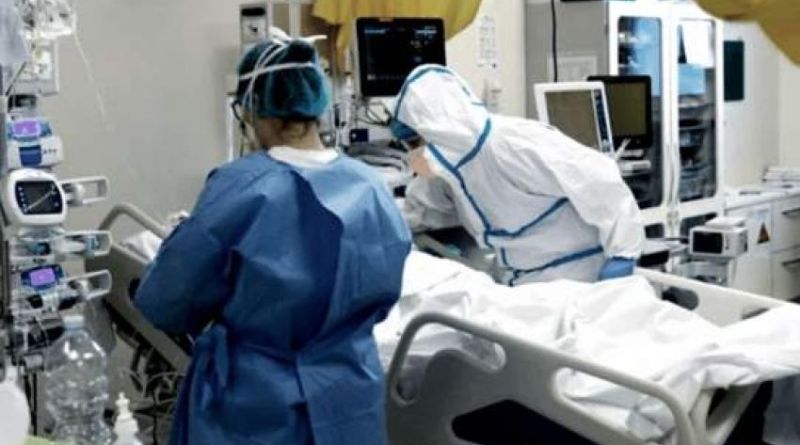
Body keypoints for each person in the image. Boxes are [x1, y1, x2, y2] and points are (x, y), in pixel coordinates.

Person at [134, 30, 412, 445]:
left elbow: (168, 301)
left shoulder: (241, 187)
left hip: (257, 407)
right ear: (316, 102)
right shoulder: (371, 186)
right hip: (349, 396)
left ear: (251, 107)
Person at [392, 64, 643, 285]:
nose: (413, 153)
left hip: (583, 276)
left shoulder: (512, 143)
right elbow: (421, 209)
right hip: (526, 284)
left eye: (415, 143)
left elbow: (599, 179)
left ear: (438, 131)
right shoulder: (451, 171)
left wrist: (623, 254)